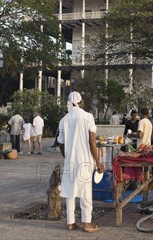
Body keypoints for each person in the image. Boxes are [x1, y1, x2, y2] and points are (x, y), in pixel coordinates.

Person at [58, 91, 103, 233]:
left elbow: (60, 143)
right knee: (85, 193)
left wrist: (67, 156)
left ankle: (70, 223)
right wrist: (98, 162)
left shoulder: (64, 120)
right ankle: (86, 223)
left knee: (70, 192)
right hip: (85, 160)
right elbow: (92, 141)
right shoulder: (87, 117)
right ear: (81, 102)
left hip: (70, 161)